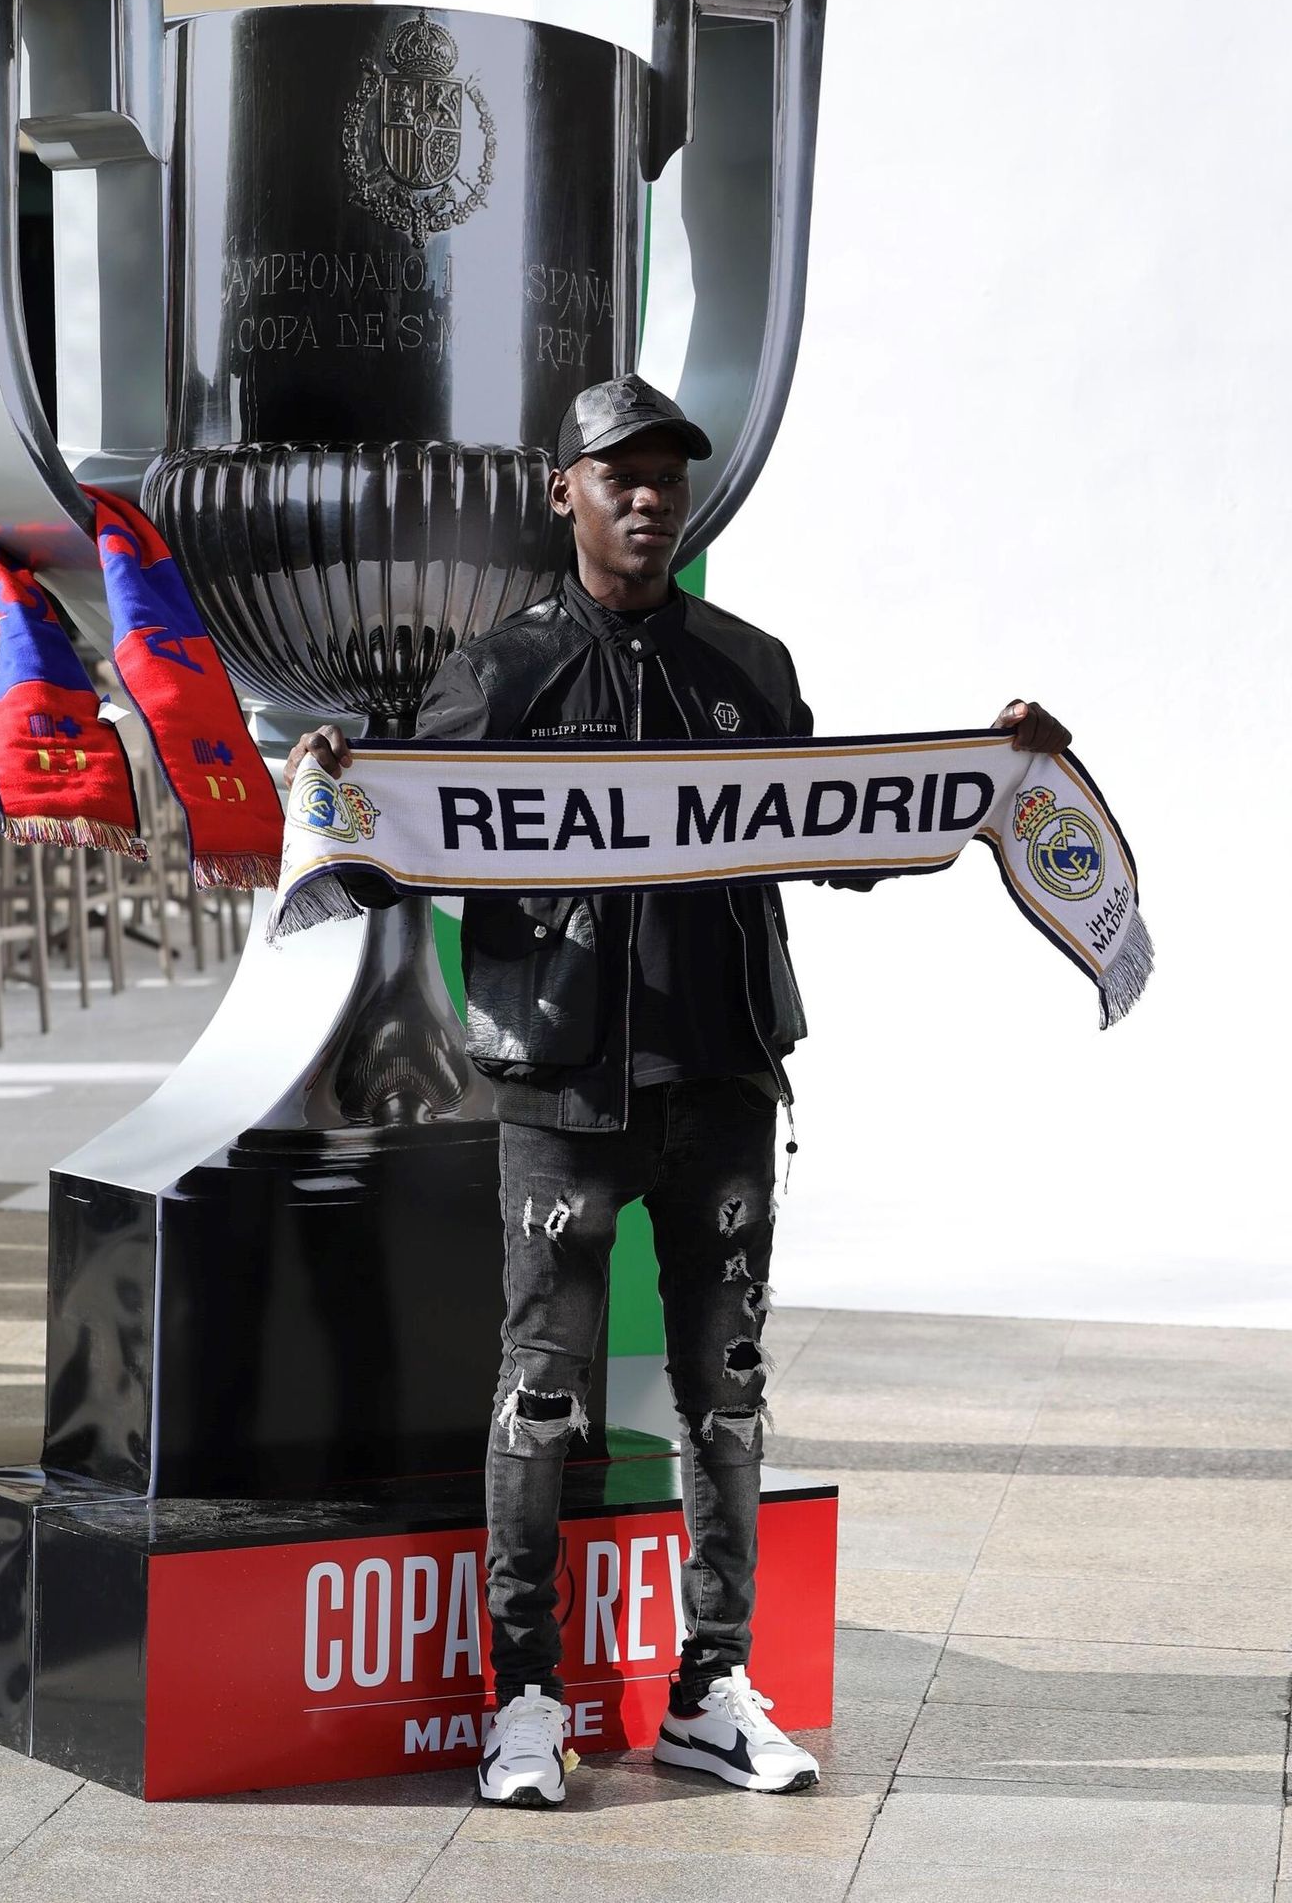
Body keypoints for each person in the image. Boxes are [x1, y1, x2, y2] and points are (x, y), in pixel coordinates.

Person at [285, 372, 1070, 1808]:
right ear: (563, 493)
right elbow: (407, 831)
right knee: (540, 1391)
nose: (648, 494)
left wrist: (988, 768)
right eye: (618, 473)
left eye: (666, 473)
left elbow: (839, 833)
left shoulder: (747, 666)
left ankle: (711, 1688)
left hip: (721, 1081)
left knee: (728, 1388)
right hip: (561, 1087)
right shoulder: (504, 673)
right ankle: (523, 1697)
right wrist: (337, 774)